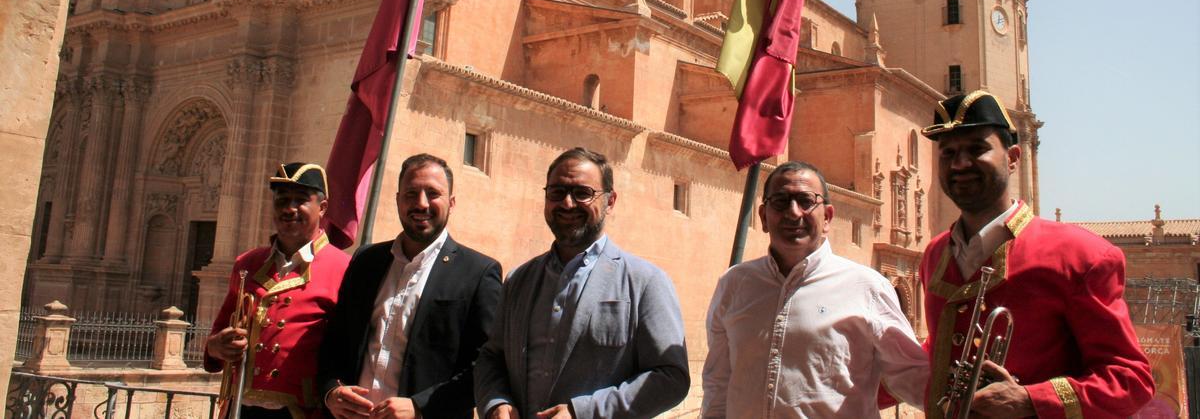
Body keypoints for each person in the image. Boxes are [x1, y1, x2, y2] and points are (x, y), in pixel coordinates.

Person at [920, 90, 1154, 418]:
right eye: (948, 153)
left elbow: (1131, 380)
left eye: (977, 149)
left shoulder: (1082, 254)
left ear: (1014, 158)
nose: (960, 164)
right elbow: (941, 350)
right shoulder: (934, 254)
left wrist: (1031, 399)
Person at [475, 147, 690, 419]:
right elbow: (491, 357)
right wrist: (496, 401)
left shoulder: (645, 282)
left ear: (610, 201)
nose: (567, 204)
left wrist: (585, 413)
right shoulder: (519, 280)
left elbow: (671, 377)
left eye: (582, 193)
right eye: (557, 193)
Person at [701, 161, 928, 417]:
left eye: (806, 201)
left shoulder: (867, 287)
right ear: (763, 217)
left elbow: (912, 374)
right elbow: (718, 381)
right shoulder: (734, 284)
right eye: (780, 201)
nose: (793, 212)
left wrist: (964, 402)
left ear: (828, 217)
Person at [317, 153, 501, 419]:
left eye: (433, 193)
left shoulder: (478, 273)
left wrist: (421, 407)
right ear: (398, 199)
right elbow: (334, 341)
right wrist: (331, 391)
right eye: (411, 193)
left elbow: (484, 366)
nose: (421, 203)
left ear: (451, 202)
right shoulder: (366, 261)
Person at [204, 162, 350, 419]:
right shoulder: (247, 263)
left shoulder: (345, 269)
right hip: (240, 408)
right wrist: (217, 347)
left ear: (323, 207)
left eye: (301, 200)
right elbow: (217, 334)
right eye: (282, 200)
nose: (289, 209)